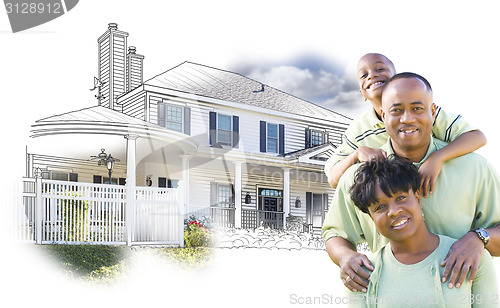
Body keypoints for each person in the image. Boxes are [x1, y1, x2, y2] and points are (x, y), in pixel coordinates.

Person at [322, 72, 500, 294]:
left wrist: (479, 238)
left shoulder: (475, 168)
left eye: (417, 108)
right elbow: (335, 233)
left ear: (433, 112)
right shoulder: (358, 177)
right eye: (396, 111)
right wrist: (345, 257)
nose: (407, 119)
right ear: (383, 114)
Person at [325, 53, 486, 198]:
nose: (372, 75)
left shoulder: (423, 113)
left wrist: (437, 158)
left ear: (397, 78)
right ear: (362, 93)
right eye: (364, 75)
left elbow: (477, 137)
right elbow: (333, 179)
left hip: (439, 189)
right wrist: (356, 154)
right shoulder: (359, 130)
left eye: (380, 69)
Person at [347, 156, 498, 308]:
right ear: (372, 218)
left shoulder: (471, 257)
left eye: (400, 198)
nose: (393, 211)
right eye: (379, 207)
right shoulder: (362, 274)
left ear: (418, 199)